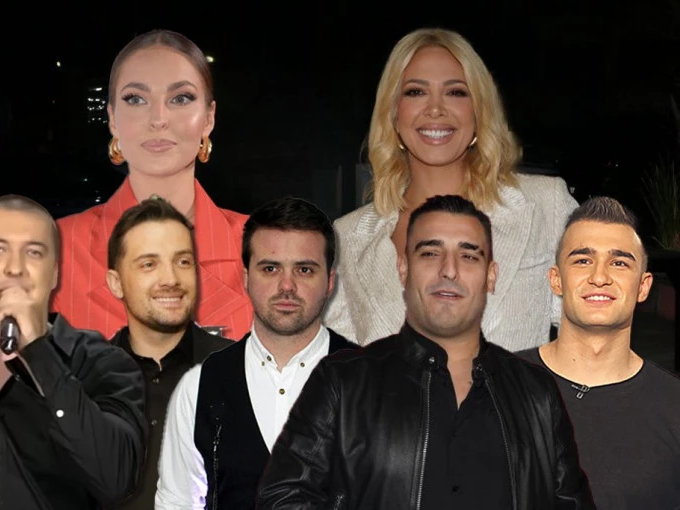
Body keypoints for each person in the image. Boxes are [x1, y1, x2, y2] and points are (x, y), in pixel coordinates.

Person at [258, 195, 594, 509]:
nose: (449, 270)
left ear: (491, 276)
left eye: (469, 255)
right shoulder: (342, 382)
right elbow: (282, 497)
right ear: (403, 269)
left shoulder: (537, 393)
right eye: (431, 253)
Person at [325, 27, 578, 350]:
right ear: (393, 114)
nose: (435, 109)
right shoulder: (347, 239)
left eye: (456, 92)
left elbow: (594, 336)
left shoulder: (545, 206)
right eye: (416, 92)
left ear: (479, 111)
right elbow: (336, 366)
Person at [0, 195, 146, 510]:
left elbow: (117, 479)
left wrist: (40, 355)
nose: (15, 268)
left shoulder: (104, 365)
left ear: (54, 274)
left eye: (34, 252)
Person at [155, 197, 357, 510]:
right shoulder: (200, 386)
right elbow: (176, 503)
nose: (287, 286)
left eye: (304, 269)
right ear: (247, 278)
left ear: (329, 282)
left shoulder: (372, 381)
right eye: (270, 268)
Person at [52, 29, 253, 341]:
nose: (158, 119)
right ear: (113, 118)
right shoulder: (57, 249)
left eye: (180, 98)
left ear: (208, 118)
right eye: (136, 99)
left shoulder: (263, 247)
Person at [516, 196, 680, 509]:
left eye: (619, 263)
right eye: (582, 260)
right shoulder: (495, 387)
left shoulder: (675, 407)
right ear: (556, 280)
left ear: (643, 286)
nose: (600, 277)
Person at [106, 196, 233, 509]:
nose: (171, 279)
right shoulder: (83, 382)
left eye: (183, 262)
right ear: (116, 283)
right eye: (149, 264)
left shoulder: (240, 372)